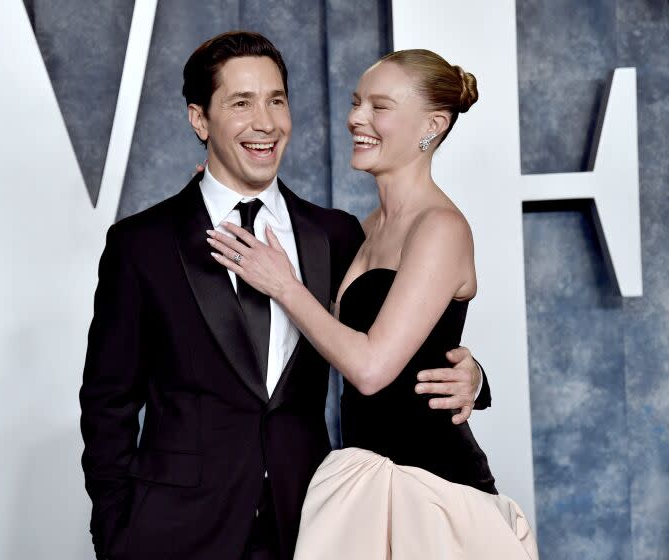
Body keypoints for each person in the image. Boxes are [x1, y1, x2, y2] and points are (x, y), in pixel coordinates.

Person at [80, 32, 491, 560]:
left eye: (276, 100)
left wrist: (474, 377)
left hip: (311, 523)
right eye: (241, 103)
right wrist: (115, 534)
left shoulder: (337, 235)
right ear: (200, 120)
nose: (266, 122)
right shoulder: (143, 243)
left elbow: (404, 332)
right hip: (176, 532)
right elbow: (106, 403)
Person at [207, 48, 538, 558]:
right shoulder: (358, 231)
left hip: (434, 495)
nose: (355, 118)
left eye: (379, 106)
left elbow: (370, 367)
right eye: (357, 102)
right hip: (364, 486)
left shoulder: (441, 228)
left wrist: (285, 286)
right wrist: (474, 374)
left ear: (432, 125)